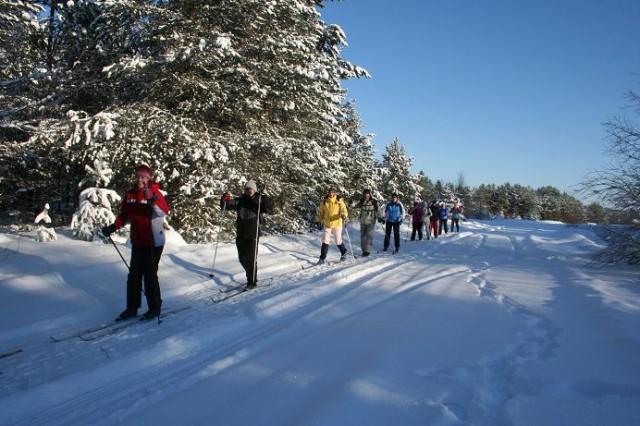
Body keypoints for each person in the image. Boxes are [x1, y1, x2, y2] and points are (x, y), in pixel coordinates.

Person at [102, 165, 170, 321]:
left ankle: (155, 307)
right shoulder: (130, 194)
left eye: (144, 177)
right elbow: (125, 215)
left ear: (149, 178)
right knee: (133, 276)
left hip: (153, 241)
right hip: (138, 240)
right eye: (138, 176)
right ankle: (132, 308)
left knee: (150, 275)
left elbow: (164, 211)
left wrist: (152, 199)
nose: (140, 179)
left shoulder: (154, 192)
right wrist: (113, 227)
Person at [221, 180, 273, 290]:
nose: (248, 191)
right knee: (242, 258)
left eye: (250, 189)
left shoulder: (258, 201)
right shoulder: (240, 200)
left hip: (253, 233)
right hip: (241, 233)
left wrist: (265, 199)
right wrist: (224, 199)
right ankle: (251, 273)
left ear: (254, 190)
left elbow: (269, 208)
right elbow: (227, 205)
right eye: (246, 189)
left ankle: (251, 281)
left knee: (251, 258)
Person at [316, 186, 349, 263]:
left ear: (335, 193)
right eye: (330, 192)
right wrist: (318, 221)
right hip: (327, 224)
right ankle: (322, 258)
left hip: (337, 223)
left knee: (338, 240)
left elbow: (343, 209)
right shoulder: (324, 201)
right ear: (328, 192)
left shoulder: (339, 200)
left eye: (333, 192)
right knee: (325, 240)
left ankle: (344, 252)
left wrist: (344, 215)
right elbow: (321, 213)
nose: (331, 193)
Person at [357, 189, 379, 256]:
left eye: (368, 194)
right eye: (365, 194)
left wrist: (380, 217)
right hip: (363, 221)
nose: (366, 195)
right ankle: (364, 250)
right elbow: (355, 206)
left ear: (370, 194)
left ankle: (367, 250)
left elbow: (377, 210)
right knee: (363, 236)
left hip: (371, 221)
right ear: (363, 195)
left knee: (369, 236)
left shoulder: (373, 201)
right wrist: (351, 204)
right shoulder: (361, 201)